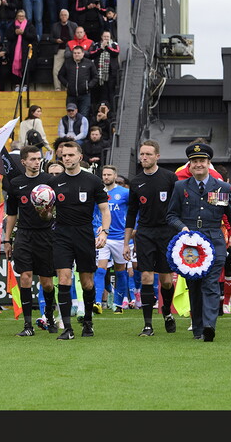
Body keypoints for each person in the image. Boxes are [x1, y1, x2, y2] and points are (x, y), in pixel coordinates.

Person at [166, 142, 231, 342]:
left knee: (211, 284)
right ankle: (198, 328)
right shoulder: (180, 187)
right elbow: (171, 216)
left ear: (208, 163)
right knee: (194, 286)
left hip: (214, 242)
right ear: (189, 165)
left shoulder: (222, 187)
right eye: (194, 161)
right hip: (190, 245)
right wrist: (182, 228)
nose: (198, 164)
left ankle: (209, 326)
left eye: (202, 160)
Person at [49, 141, 110, 339]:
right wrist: (43, 211)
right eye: (64, 155)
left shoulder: (93, 181)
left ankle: (88, 322)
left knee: (87, 283)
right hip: (61, 234)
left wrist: (104, 232)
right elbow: (48, 214)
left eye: (71, 155)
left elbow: (105, 210)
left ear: (80, 157)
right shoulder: (54, 183)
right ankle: (67, 328)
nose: (67, 158)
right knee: (64, 278)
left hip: (84, 234)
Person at [123, 140, 180, 335]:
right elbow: (131, 213)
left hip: (166, 233)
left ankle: (167, 312)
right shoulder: (136, 182)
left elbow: (179, 206)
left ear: (157, 156)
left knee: (166, 280)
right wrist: (126, 243)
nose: (144, 157)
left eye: (148, 154)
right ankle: (148, 325)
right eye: (142, 154)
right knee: (146, 276)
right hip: (145, 233)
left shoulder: (169, 178)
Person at [4, 145, 57, 335]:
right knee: (25, 277)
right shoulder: (15, 183)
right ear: (23, 162)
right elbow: (12, 213)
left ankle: (49, 316)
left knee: (47, 283)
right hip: (24, 235)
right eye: (33, 159)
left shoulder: (50, 181)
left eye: (38, 159)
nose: (36, 162)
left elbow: (57, 211)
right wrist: (7, 240)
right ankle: (27, 326)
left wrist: (47, 214)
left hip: (46, 235)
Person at [91, 166, 131, 314]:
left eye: (109, 174)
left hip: (120, 237)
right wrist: (97, 226)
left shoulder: (125, 193)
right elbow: (95, 213)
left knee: (120, 271)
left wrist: (133, 228)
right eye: (104, 174)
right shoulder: (98, 192)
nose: (106, 177)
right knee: (100, 270)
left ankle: (118, 304)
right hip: (103, 237)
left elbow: (134, 211)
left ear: (115, 176)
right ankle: (97, 302)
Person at [58, 45, 98, 118]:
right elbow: (60, 75)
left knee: (83, 116)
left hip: (84, 95)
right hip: (71, 95)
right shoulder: (67, 63)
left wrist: (88, 86)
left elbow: (95, 77)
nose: (76, 55)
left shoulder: (89, 63)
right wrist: (67, 84)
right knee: (71, 116)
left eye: (78, 53)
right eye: (75, 53)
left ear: (83, 53)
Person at [5, 9, 38, 89]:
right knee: (16, 66)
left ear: (25, 17)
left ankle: (25, 85)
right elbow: (8, 36)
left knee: (26, 67)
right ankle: (17, 84)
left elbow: (33, 37)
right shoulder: (13, 25)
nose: (21, 17)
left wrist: (24, 33)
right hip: (15, 51)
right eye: (19, 16)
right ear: (16, 17)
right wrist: (15, 33)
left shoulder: (29, 25)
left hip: (26, 51)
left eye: (22, 16)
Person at [88, 31, 120, 109]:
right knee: (102, 92)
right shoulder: (96, 45)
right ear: (101, 37)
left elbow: (116, 52)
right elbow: (91, 54)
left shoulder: (114, 45)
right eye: (104, 36)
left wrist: (106, 47)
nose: (106, 38)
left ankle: (112, 109)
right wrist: (101, 49)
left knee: (111, 92)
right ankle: (101, 109)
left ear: (110, 37)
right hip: (100, 73)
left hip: (111, 73)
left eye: (107, 37)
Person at [50, 9, 79, 91]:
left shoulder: (73, 25)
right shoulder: (55, 26)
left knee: (70, 70)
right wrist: (56, 40)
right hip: (59, 49)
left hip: (71, 50)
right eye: (62, 15)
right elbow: (50, 38)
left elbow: (78, 37)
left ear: (68, 16)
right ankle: (57, 88)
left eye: (65, 15)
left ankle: (69, 87)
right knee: (56, 70)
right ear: (59, 16)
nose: (63, 16)